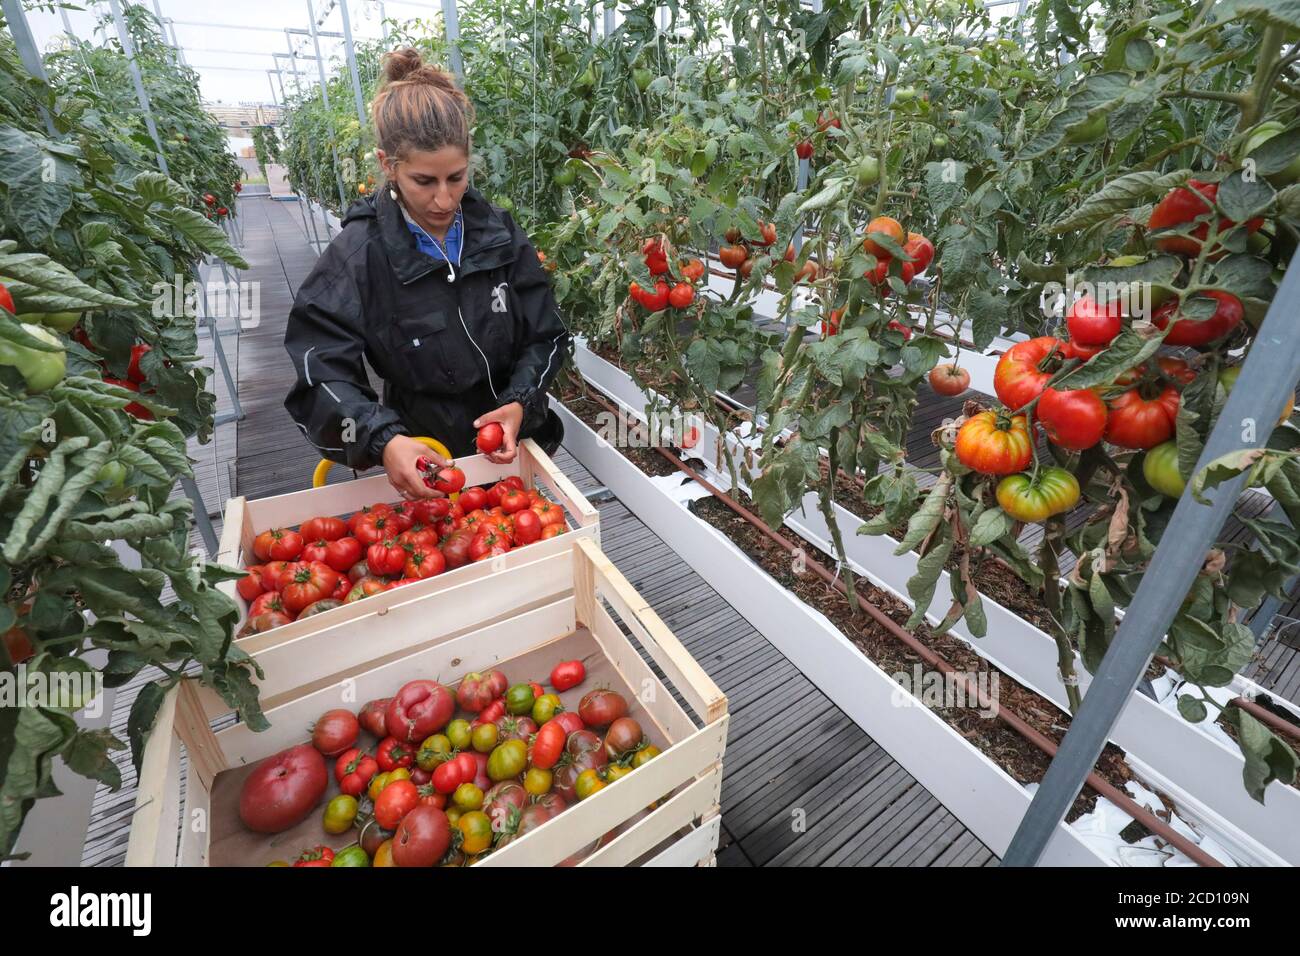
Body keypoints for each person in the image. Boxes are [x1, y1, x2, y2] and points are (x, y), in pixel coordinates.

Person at [283, 47, 569, 501]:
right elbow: (319, 369)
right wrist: (384, 440)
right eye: (424, 181)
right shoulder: (359, 256)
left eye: (456, 178)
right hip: (427, 459)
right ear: (387, 165)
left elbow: (547, 334)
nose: (444, 199)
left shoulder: (498, 235)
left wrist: (519, 401)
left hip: (515, 450)